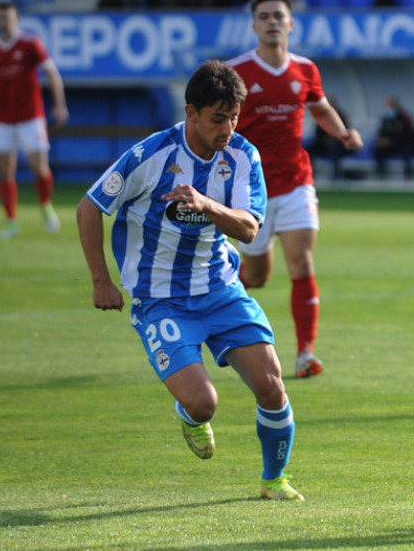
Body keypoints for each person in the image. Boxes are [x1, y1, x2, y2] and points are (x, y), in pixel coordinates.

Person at [76, 59, 303, 502]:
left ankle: (274, 480)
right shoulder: (151, 155)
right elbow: (89, 208)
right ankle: (190, 411)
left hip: (219, 289)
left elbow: (249, 228)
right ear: (191, 113)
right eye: (218, 118)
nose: (228, 128)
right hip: (160, 299)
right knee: (204, 403)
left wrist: (206, 205)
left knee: (272, 384)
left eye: (235, 117)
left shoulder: (242, 156)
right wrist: (101, 280)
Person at [227, 0, 363, 378]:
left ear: (290, 24)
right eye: (264, 16)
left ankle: (305, 353)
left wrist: (342, 134)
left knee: (302, 262)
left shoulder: (305, 69)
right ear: (254, 25)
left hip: (296, 182)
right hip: (250, 190)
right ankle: (214, 311)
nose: (272, 21)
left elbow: (319, 107)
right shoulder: (237, 72)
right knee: (256, 277)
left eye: (278, 16)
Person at [0, 1, 68, 240]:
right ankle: (10, 221)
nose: (3, 21)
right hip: (3, 117)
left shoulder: (30, 44)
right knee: (5, 171)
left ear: (16, 18)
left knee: (39, 167)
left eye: (7, 16)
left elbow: (51, 72)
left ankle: (46, 206)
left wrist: (59, 105)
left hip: (31, 116)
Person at [373, 95, 414, 179]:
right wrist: (381, 140)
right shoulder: (385, 119)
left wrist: (392, 141)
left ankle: (408, 176)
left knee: (407, 151)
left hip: (405, 144)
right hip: (391, 146)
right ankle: (381, 174)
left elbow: (410, 135)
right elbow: (381, 133)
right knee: (378, 150)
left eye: (390, 105)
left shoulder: (405, 117)